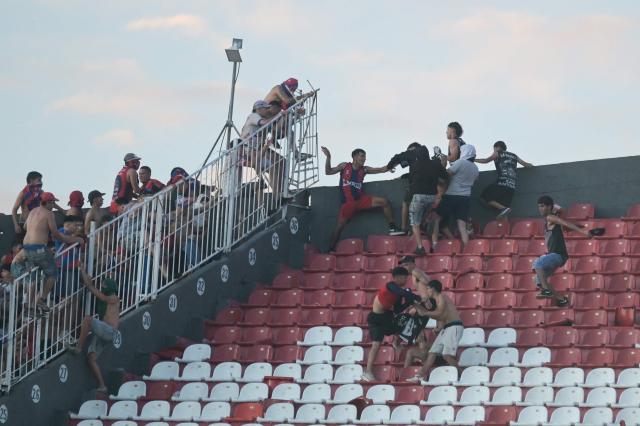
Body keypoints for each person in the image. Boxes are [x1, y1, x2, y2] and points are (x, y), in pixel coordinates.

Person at [322, 146, 402, 251]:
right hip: (348, 204)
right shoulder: (344, 166)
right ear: (354, 157)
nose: (364, 159)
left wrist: (392, 165)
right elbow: (328, 172)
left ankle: (392, 227)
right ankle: (330, 250)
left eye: (365, 157)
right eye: (362, 156)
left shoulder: (364, 170)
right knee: (339, 228)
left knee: (384, 202)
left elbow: (381, 169)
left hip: (361, 200)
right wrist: (328, 156)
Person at [22, 192, 84, 313]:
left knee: (34, 278)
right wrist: (75, 240)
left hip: (26, 249)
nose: (53, 205)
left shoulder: (33, 211)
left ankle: (29, 306)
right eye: (53, 203)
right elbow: (56, 234)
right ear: (48, 202)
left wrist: (37, 228)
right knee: (53, 273)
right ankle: (42, 299)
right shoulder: (49, 214)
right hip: (38, 248)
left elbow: (25, 227)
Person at [388, 143, 448, 255]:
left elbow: (400, 161)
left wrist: (389, 166)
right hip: (433, 196)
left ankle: (420, 247)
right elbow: (445, 177)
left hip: (418, 196)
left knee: (414, 223)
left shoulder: (415, 165)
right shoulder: (434, 163)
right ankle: (426, 223)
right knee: (430, 215)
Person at [68, 263, 119, 393]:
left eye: (104, 285)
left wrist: (86, 277)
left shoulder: (113, 298)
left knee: (88, 319)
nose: (102, 287)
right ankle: (102, 386)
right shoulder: (108, 297)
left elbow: (92, 288)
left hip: (109, 331)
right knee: (91, 358)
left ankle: (79, 347)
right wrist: (84, 272)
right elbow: (90, 285)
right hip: (105, 333)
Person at [362, 266, 419, 381]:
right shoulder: (391, 286)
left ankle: (396, 342)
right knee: (376, 345)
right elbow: (401, 292)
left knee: (404, 319)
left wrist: (408, 303)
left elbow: (398, 309)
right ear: (396, 277)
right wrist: (415, 297)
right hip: (377, 319)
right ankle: (367, 371)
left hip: (387, 317)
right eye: (404, 278)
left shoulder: (399, 293)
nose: (406, 280)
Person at [534, 195, 593, 306]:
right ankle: (561, 299)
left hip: (558, 255)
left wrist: (582, 231)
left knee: (538, 263)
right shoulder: (550, 220)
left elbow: (564, 222)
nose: (540, 209)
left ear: (549, 207)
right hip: (554, 256)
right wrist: (579, 227)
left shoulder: (550, 218)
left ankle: (546, 291)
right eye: (539, 206)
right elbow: (565, 224)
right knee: (538, 280)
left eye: (542, 206)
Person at [407, 279, 464, 382]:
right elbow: (442, 316)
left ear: (433, 289)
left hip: (454, 327)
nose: (427, 291)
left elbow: (439, 313)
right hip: (447, 328)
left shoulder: (441, 297)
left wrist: (425, 312)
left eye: (428, 288)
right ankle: (419, 376)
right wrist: (418, 306)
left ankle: (462, 375)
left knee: (447, 356)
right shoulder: (438, 300)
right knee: (432, 353)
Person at [431, 144, 479, 251]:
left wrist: (443, 164)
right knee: (462, 226)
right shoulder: (475, 168)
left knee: (436, 219)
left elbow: (447, 174)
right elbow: (475, 180)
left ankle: (434, 245)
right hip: (465, 198)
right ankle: (466, 251)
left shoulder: (461, 162)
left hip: (451, 196)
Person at [475, 141, 533, 218]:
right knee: (504, 212)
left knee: (484, 196)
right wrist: (532, 166)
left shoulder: (498, 153)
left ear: (496, 147)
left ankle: (503, 208)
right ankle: (503, 211)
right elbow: (526, 165)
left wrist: (473, 160)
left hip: (501, 183)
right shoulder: (514, 156)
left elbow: (485, 160)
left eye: (494, 149)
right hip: (512, 185)